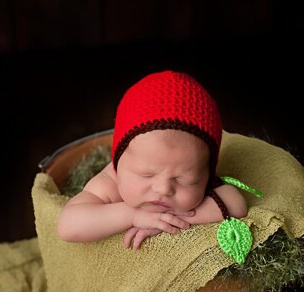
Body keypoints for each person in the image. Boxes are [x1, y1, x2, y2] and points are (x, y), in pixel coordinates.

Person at [57, 70, 248, 249]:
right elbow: (68, 225)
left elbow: (236, 204)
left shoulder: (196, 172)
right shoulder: (109, 183)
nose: (164, 189)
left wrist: (166, 218)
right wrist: (133, 215)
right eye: (146, 174)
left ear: (206, 172)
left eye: (184, 180)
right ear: (117, 163)